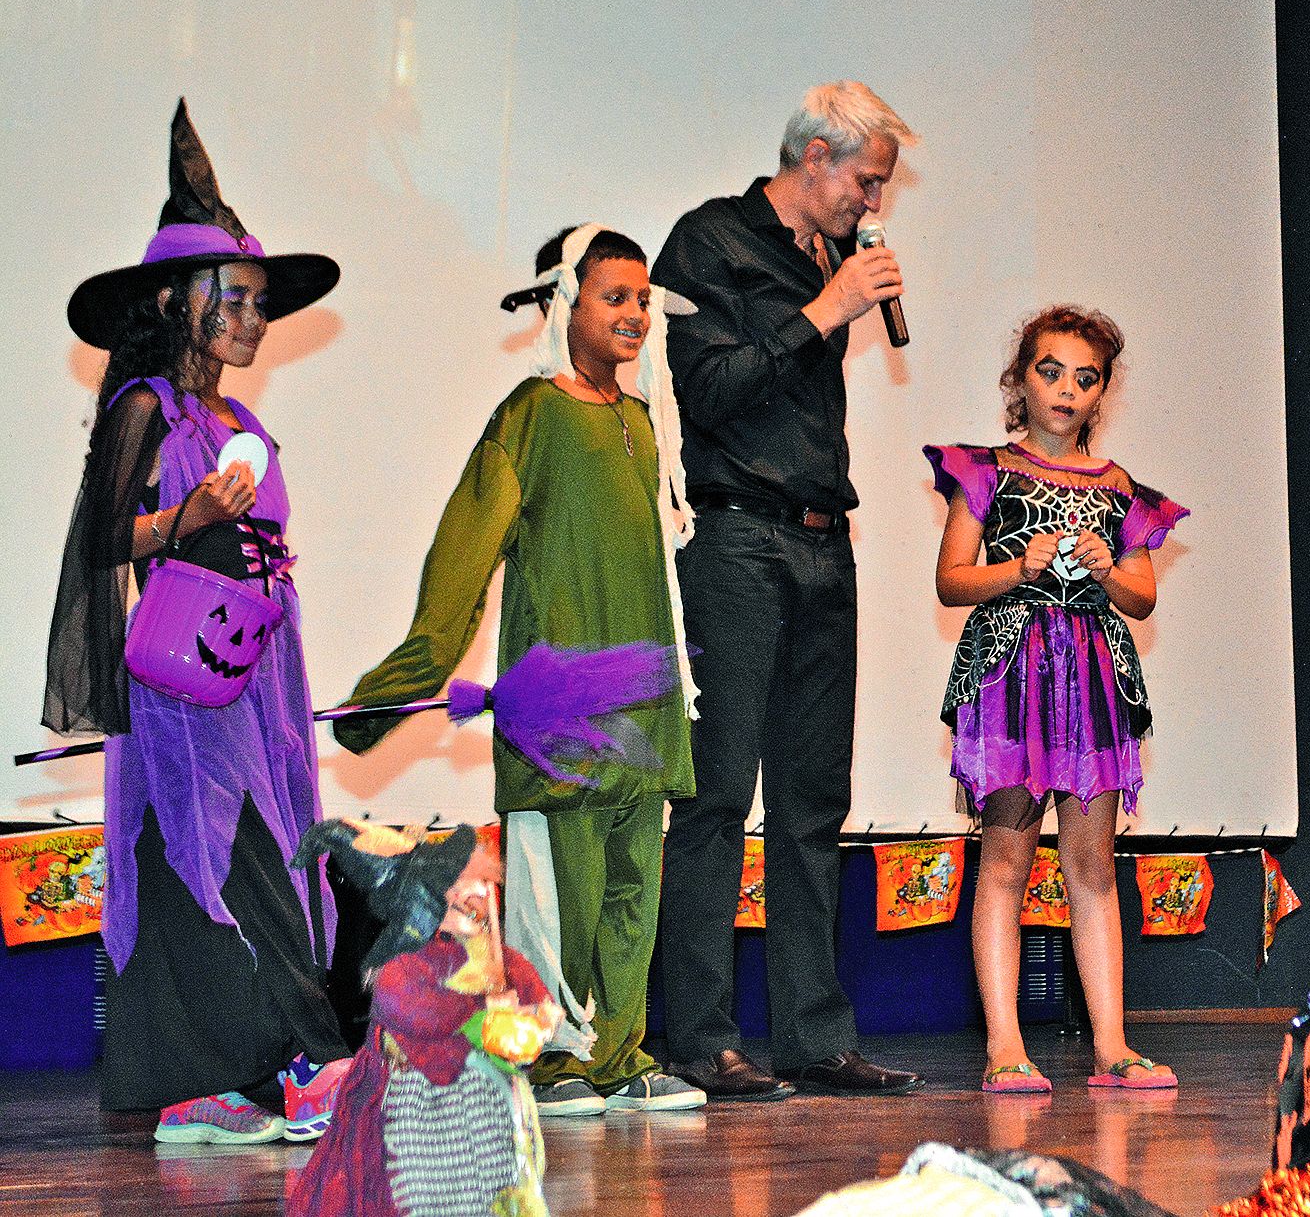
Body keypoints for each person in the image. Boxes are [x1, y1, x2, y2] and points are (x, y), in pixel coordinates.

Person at [333, 224, 703, 1116]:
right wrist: (395, 684)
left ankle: (618, 1052)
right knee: (555, 892)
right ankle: (552, 1058)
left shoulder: (644, 422)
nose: (635, 315)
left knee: (630, 889)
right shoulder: (529, 417)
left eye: (643, 300)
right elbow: (462, 558)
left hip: (642, 705)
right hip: (559, 711)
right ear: (562, 303)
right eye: (615, 297)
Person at [44, 101, 352, 1142]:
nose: (257, 320)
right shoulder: (141, 407)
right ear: (179, 300)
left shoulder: (239, 419)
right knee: (223, 857)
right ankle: (300, 1065)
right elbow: (101, 541)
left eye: (263, 303)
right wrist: (183, 518)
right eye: (238, 298)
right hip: (186, 679)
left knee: (265, 850)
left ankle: (221, 1085)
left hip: (260, 669)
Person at [648, 81, 922, 1099]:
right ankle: (702, 1038)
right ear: (813, 155)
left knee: (813, 801)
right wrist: (825, 310)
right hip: (733, 542)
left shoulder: (832, 260)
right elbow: (706, 390)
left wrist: (837, 294)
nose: (872, 201)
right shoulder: (709, 242)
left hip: (821, 541)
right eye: (865, 179)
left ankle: (814, 1036)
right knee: (717, 794)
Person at [926, 304, 1187, 1093]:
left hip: (1093, 682)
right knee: (1005, 858)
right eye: (1049, 371)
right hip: (1010, 676)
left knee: (1092, 864)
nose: (1066, 390)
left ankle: (1111, 1043)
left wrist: (1108, 566)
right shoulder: (985, 471)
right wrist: (1021, 565)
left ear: (1101, 391)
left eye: (1085, 377)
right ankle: (1004, 1042)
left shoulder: (1121, 490)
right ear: (1019, 379)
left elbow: (1140, 601)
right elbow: (950, 581)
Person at [290, 820, 560, 1217]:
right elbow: (412, 1011)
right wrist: (483, 1011)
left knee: (491, 1174)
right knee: (409, 1181)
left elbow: (529, 990)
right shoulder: (405, 961)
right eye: (459, 890)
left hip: (482, 1096)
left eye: (481, 887)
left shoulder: (495, 956)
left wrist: (539, 1014)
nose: (476, 896)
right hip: (411, 1094)